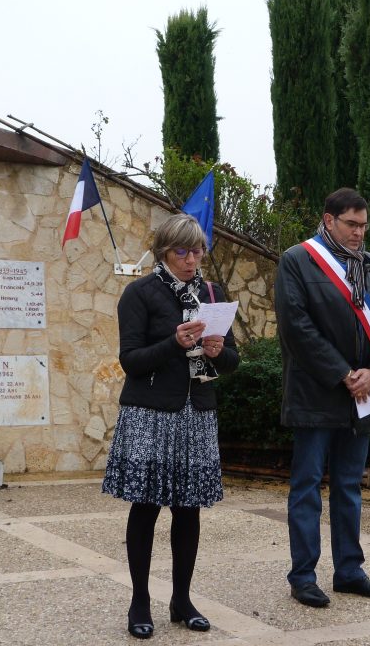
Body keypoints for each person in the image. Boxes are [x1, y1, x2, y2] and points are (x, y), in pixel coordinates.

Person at [102, 213, 239, 639]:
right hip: (151, 415)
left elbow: (232, 363)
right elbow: (131, 361)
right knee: (145, 508)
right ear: (164, 251)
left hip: (196, 414)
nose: (191, 259)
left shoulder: (213, 293)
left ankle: (182, 599)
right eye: (182, 251)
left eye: (197, 250)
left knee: (188, 510)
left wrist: (217, 351)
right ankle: (139, 601)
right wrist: (174, 343)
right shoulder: (139, 293)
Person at [275, 187, 370, 608]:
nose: (359, 233)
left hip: (360, 396)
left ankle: (349, 571)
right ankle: (303, 576)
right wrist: (343, 373)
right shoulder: (298, 260)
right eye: (351, 224)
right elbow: (296, 327)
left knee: (349, 487)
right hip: (315, 393)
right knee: (307, 486)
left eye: (364, 225)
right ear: (329, 220)